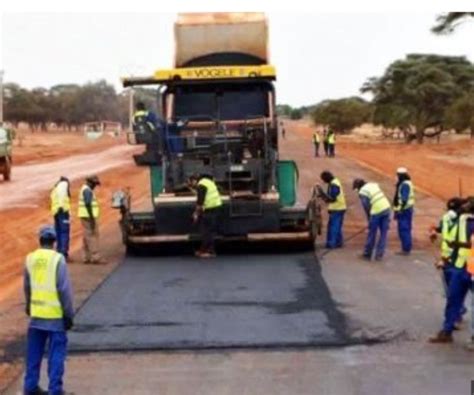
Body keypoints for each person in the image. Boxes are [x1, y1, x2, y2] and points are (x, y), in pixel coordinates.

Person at [23, 225, 74, 395]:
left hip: (36, 316)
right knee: (56, 354)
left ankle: (30, 387)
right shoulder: (57, 259)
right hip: (54, 317)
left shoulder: (30, 259)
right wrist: (68, 314)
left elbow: (27, 286)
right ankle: (55, 390)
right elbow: (64, 290)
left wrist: (29, 306)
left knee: (33, 353)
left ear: (40, 240)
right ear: (54, 241)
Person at [429, 197, 474, 343]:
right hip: (459, 266)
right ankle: (447, 331)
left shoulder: (463, 221)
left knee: (454, 299)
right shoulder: (459, 221)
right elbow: (452, 243)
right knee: (453, 299)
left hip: (466, 268)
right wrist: (446, 260)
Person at [353, 178, 391, 261]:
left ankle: (367, 253)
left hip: (376, 211)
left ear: (358, 187)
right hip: (387, 208)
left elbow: (366, 206)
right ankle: (379, 254)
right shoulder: (373, 185)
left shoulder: (362, 191)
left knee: (372, 233)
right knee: (383, 233)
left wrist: (369, 219)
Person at [188, 174, 223, 258]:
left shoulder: (201, 185)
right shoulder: (207, 182)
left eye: (191, 183)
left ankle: (209, 252)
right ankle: (204, 250)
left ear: (194, 180)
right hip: (214, 207)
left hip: (210, 209)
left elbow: (200, 202)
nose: (193, 185)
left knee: (206, 231)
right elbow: (205, 194)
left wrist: (195, 214)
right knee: (209, 231)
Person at [77, 175, 104, 264]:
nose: (95, 186)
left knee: (86, 236)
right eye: (94, 184)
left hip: (85, 215)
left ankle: (86, 257)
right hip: (88, 216)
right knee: (92, 236)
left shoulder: (85, 189)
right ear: (90, 183)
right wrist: (92, 218)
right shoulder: (87, 191)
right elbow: (88, 204)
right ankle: (95, 257)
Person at [317, 171, 346, 249]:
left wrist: (322, 193)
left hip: (337, 208)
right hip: (339, 208)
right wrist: (322, 195)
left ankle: (331, 243)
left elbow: (332, 199)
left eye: (323, 179)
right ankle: (339, 242)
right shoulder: (334, 182)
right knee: (337, 226)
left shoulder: (334, 184)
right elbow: (329, 198)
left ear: (326, 178)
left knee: (333, 227)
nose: (323, 181)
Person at [393, 167, 415, 255]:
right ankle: (406, 247)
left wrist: (400, 209)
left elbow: (404, 199)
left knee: (404, 229)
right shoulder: (406, 183)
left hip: (404, 210)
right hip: (407, 209)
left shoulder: (405, 184)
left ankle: (406, 249)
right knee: (406, 229)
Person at [50, 176, 71, 261]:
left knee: (58, 232)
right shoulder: (63, 184)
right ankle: (63, 254)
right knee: (64, 233)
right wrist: (62, 206)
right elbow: (62, 195)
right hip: (62, 211)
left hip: (56, 212)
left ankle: (59, 252)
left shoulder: (55, 187)